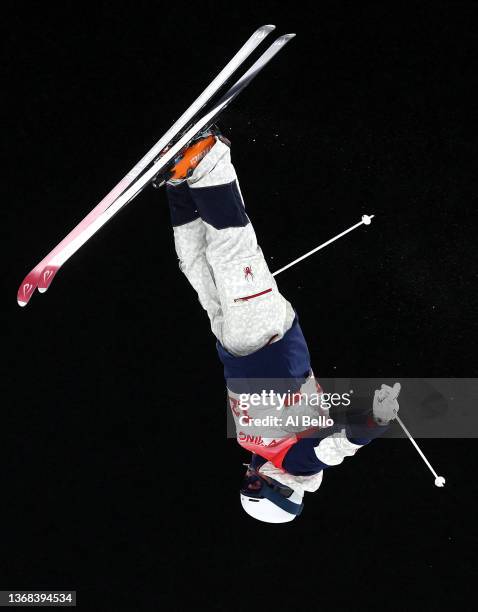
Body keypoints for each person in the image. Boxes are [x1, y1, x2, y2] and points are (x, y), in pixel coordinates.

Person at [164, 129, 401, 523]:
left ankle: (180, 186)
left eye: (247, 484)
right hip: (268, 338)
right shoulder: (300, 463)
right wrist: (375, 421)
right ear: (281, 488)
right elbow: (337, 449)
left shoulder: (262, 452)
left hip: (234, 347)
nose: (250, 477)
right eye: (256, 486)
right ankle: (209, 162)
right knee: (232, 256)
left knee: (198, 268)